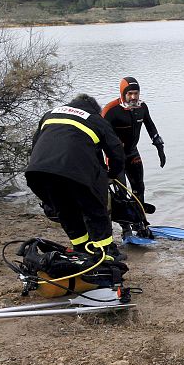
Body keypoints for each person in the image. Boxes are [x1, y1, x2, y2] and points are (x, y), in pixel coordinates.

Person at [25, 94, 126, 260]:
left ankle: (80, 248)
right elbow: (116, 152)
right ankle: (106, 251)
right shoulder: (95, 119)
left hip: (39, 173)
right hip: (75, 172)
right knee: (95, 209)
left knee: (66, 209)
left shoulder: (50, 114)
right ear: (95, 109)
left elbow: (36, 145)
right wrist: (112, 175)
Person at [101, 77, 165, 236]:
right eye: (130, 94)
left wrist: (159, 147)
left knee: (139, 188)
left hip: (132, 152)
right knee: (121, 193)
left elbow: (150, 126)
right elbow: (99, 134)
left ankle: (140, 223)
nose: (133, 97)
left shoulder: (142, 107)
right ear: (123, 93)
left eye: (136, 93)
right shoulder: (111, 110)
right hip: (115, 157)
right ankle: (125, 229)